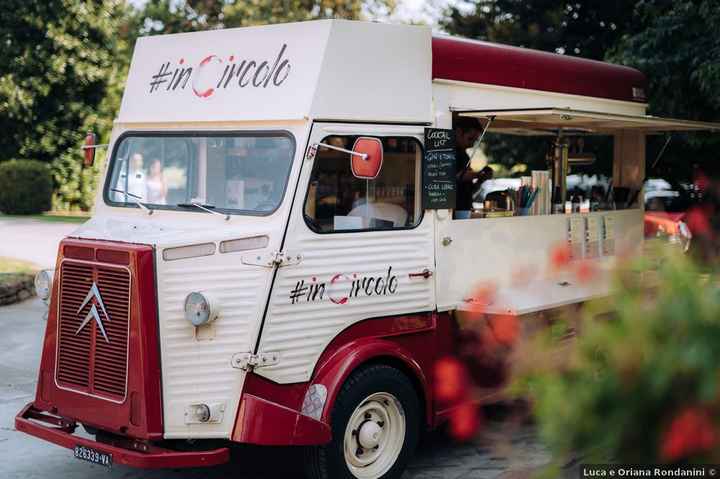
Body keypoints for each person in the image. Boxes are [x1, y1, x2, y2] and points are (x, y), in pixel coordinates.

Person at [453, 116, 483, 212]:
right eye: (470, 139)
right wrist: (462, 176)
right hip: (451, 210)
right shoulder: (445, 154)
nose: (472, 144)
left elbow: (468, 191)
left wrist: (480, 180)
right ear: (458, 132)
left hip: (465, 209)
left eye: (475, 141)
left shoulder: (465, 155)